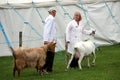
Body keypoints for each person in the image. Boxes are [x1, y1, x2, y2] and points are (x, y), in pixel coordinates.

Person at [43, 7, 57, 72]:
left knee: (51, 54)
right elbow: (47, 30)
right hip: (50, 41)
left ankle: (49, 68)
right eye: (54, 11)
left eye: (55, 11)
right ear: (50, 12)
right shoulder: (51, 19)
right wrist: (46, 40)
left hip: (51, 40)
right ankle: (45, 68)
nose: (55, 13)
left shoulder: (51, 19)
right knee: (49, 55)